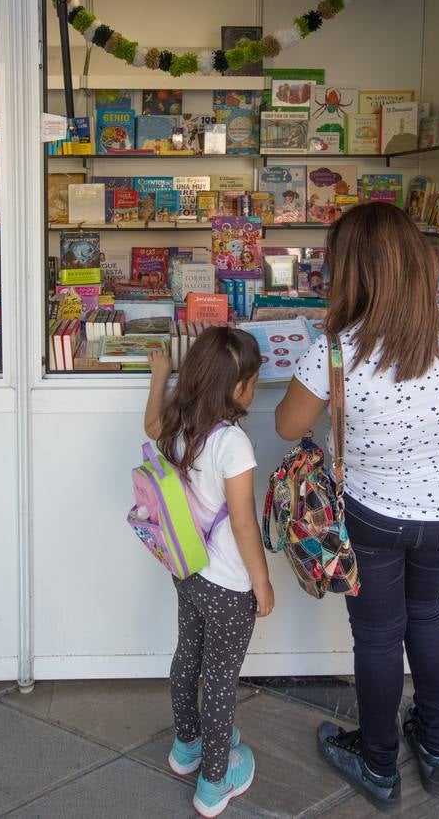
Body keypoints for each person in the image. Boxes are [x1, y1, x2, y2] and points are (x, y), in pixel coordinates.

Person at [275, 203, 439, 811]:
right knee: (427, 616)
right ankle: (434, 749)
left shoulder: (337, 348)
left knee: (377, 636)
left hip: (372, 516)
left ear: (352, 271)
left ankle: (378, 766)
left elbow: (286, 423)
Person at [144, 327, 274, 818]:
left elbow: (150, 422)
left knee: (187, 659)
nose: (254, 389)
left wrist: (159, 378)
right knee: (221, 681)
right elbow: (243, 524)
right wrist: (261, 582)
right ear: (237, 387)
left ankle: (186, 747)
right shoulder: (233, 445)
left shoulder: (178, 423)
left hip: (187, 571)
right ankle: (215, 781)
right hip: (227, 584)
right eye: (253, 381)